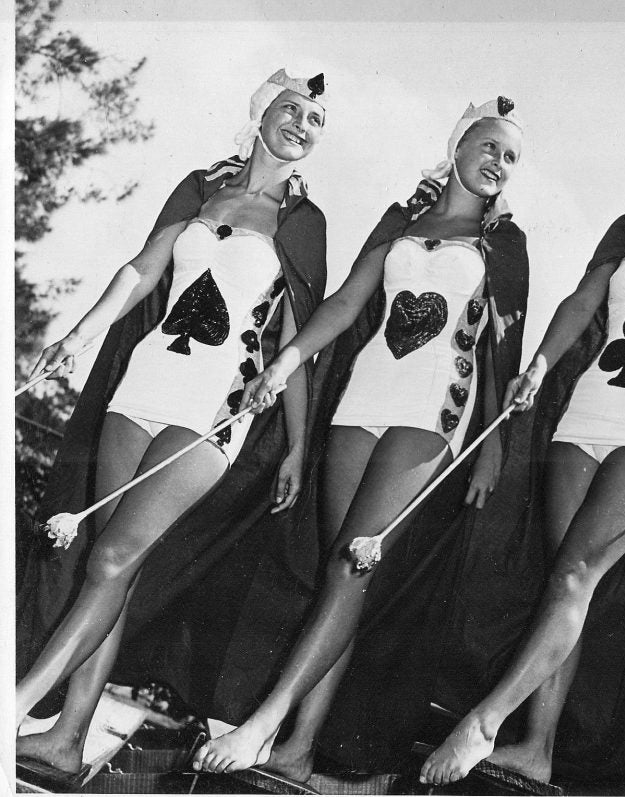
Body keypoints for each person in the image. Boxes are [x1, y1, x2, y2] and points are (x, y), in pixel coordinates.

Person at [191, 97, 529, 778]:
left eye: (511, 157)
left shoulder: (506, 240)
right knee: (342, 576)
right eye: (489, 146)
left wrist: (493, 441)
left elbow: (504, 345)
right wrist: (286, 361)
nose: (499, 163)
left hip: (433, 414)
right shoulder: (405, 219)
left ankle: (265, 723)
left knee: (354, 564)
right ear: (459, 145)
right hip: (362, 400)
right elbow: (347, 301)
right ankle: (298, 747)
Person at [15, 69, 330, 783]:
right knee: (110, 565)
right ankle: (66, 740)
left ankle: (17, 704)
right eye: (291, 110)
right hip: (145, 380)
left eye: (315, 121)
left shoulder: (302, 222)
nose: (302, 126)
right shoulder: (203, 188)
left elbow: (297, 344)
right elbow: (141, 269)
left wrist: (297, 445)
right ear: (261, 113)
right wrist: (77, 334)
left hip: (214, 406)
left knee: (113, 559)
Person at [420, 123, 625, 786]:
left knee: (575, 573)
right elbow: (582, 300)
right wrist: (540, 366)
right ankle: (538, 748)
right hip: (586, 414)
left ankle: (483, 724)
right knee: (565, 581)